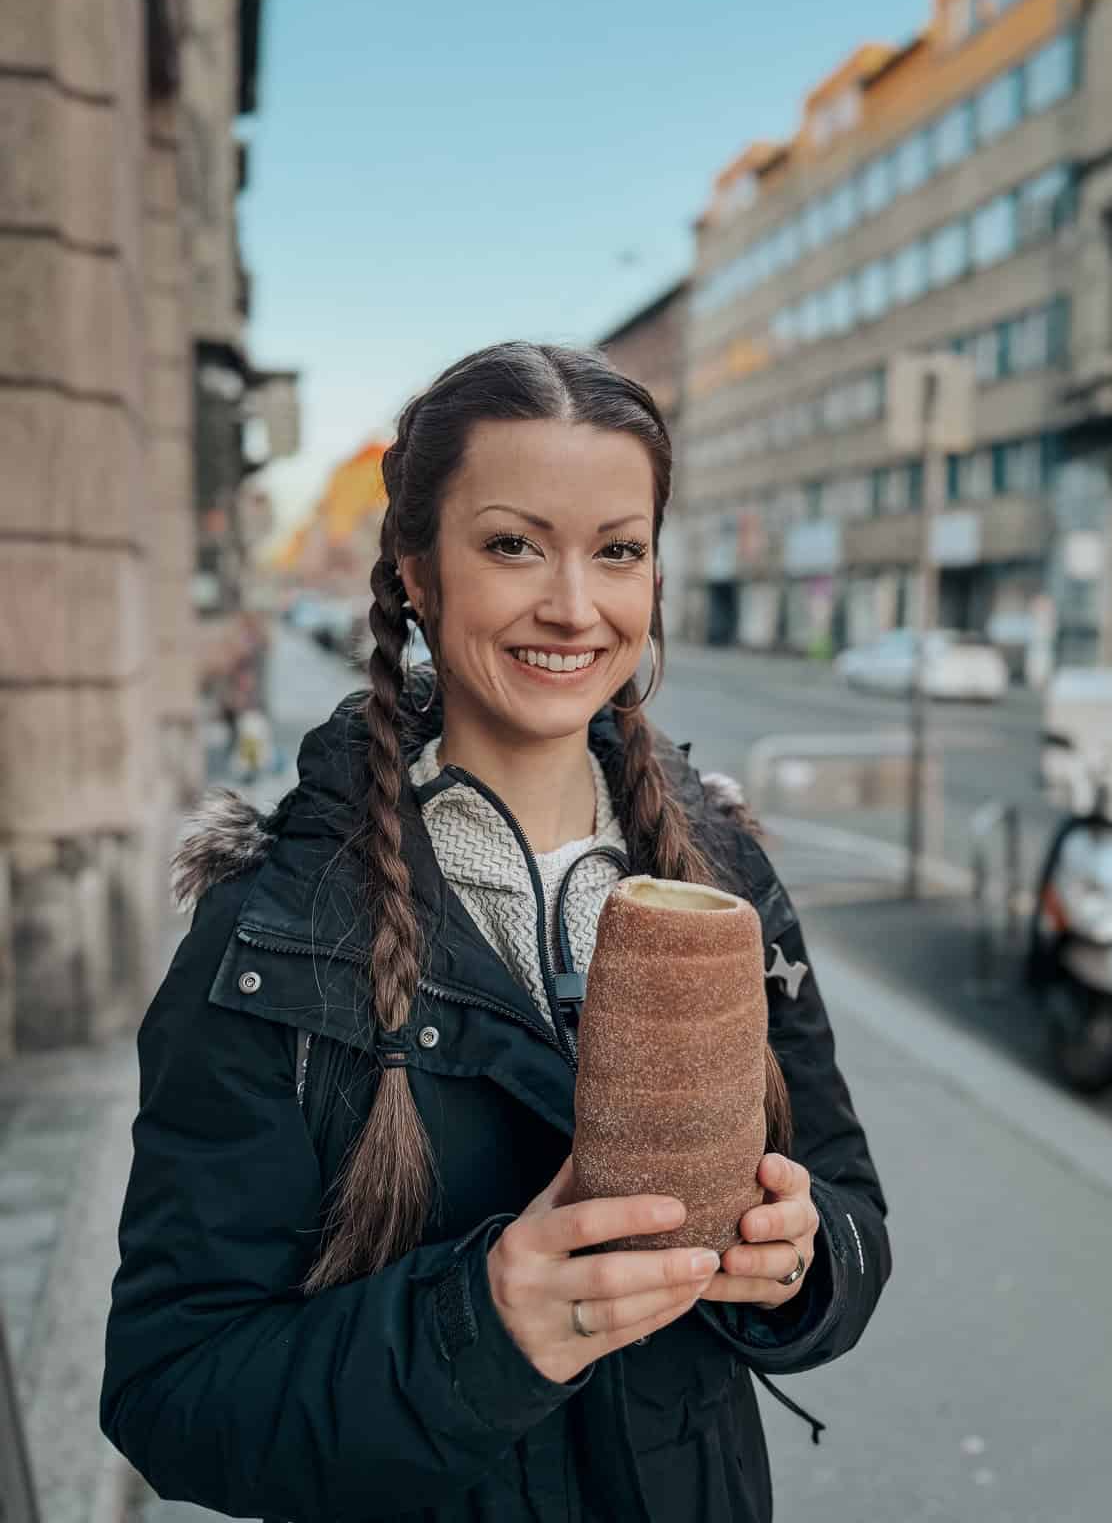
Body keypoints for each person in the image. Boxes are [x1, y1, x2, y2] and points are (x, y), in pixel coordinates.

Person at [101, 343, 891, 1523]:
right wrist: (488, 1326)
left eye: (619, 551)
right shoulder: (277, 925)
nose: (574, 604)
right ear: (418, 571)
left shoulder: (725, 876)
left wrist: (798, 1259)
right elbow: (173, 1388)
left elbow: (851, 1212)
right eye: (514, 544)